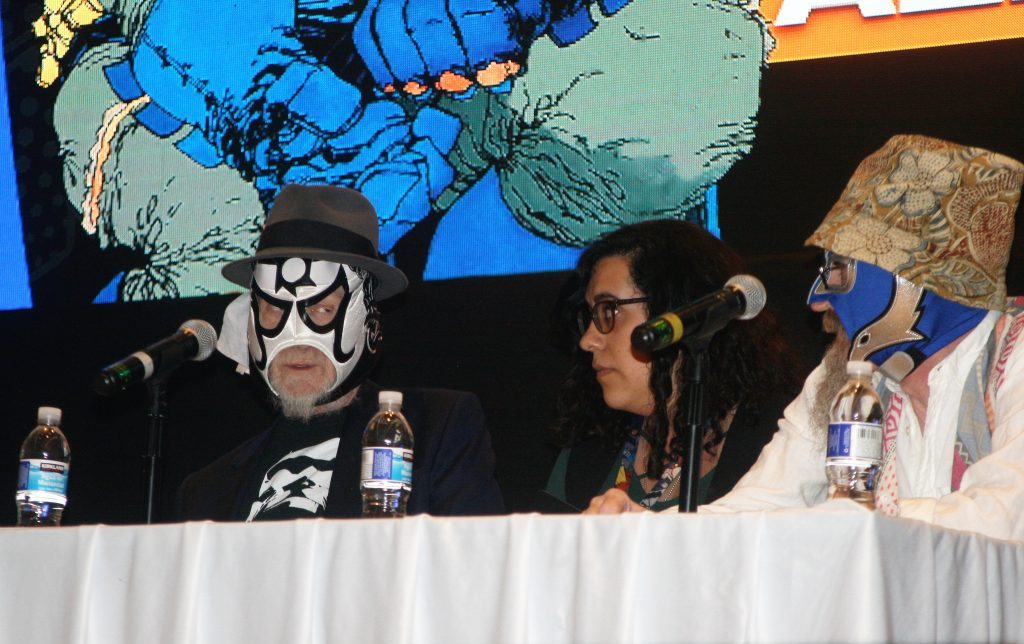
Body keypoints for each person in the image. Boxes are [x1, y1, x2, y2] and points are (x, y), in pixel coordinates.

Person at [586, 135, 1024, 543]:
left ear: (917, 279)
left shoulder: (1015, 353)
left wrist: (840, 521)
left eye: (839, 270)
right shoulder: (841, 377)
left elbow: (1004, 515)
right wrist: (645, 530)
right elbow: (762, 505)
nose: (816, 300)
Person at [176, 184, 504, 520]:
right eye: (274, 309)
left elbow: (471, 549)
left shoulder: (435, 430)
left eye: (322, 309)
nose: (297, 338)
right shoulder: (207, 491)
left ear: (367, 321)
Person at [539, 220, 797, 512]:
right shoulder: (590, 442)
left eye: (609, 310)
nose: (588, 340)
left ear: (675, 310)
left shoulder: (779, 439)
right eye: (591, 316)